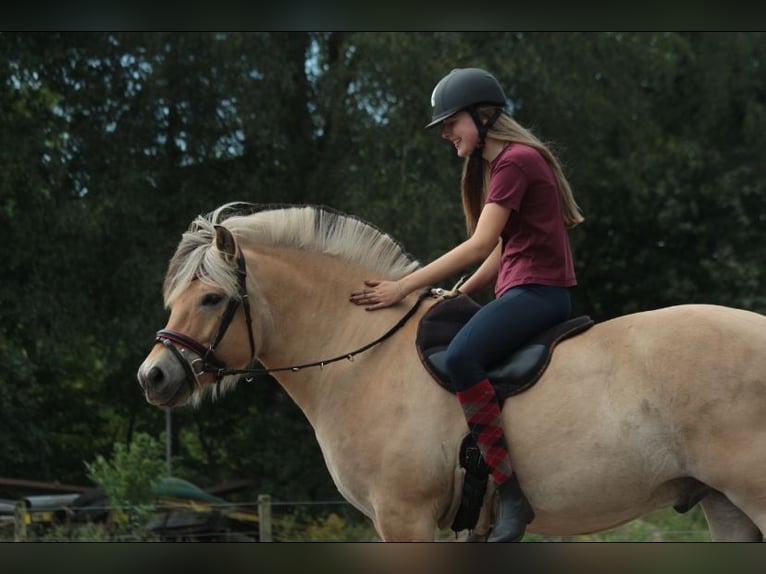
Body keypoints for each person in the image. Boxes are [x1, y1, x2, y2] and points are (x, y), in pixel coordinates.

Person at [350, 67, 583, 542]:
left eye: (450, 123)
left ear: (482, 115)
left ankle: (510, 493)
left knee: (461, 355)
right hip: (524, 290)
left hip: (538, 294)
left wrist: (403, 287)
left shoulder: (515, 161)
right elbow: (501, 250)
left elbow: (479, 243)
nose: (445, 134)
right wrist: (462, 292)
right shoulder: (505, 165)